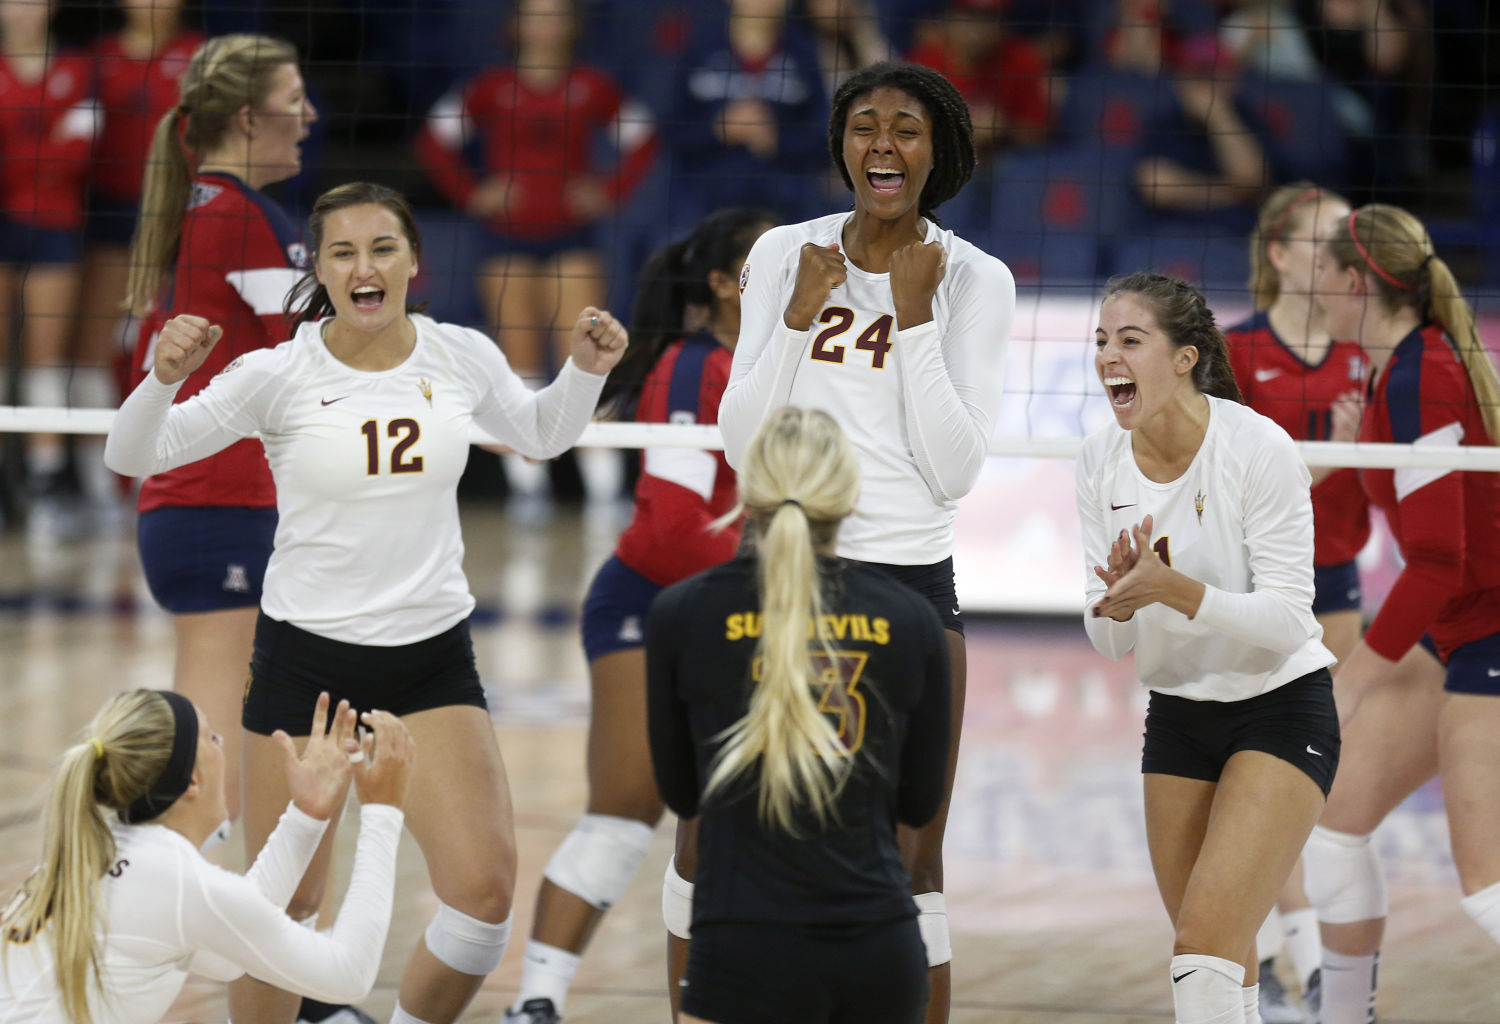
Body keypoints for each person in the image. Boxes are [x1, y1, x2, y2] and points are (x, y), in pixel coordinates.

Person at [104, 180, 627, 1024]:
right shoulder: (278, 372)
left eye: (382, 247)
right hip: (304, 664)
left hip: (430, 660)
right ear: (322, 268)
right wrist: (162, 378)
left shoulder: (459, 353)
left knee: (485, 897)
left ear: (414, 262)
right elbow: (135, 454)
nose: (365, 266)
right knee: (281, 913)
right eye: (343, 252)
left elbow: (540, 436)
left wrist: (583, 373)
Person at [715, 60, 1013, 1024]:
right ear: (841, 143)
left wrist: (917, 315)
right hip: (783, 565)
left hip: (911, 579)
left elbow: (956, 469)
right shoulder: (782, 254)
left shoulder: (975, 279)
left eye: (907, 129)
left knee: (913, 852)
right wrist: (800, 314)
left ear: (941, 153)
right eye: (865, 125)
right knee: (724, 835)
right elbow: (741, 438)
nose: (883, 143)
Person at [503, 207, 776, 1024]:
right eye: (768, 261)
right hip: (652, 602)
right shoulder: (695, 368)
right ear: (724, 285)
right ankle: (535, 1004)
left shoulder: (770, 362)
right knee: (626, 813)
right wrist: (777, 580)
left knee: (721, 834)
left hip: (728, 609)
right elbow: (672, 529)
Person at [1078, 271, 1339, 1024]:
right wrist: (1121, 598)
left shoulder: (1257, 446)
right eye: (1100, 341)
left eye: (1130, 340)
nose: (1107, 357)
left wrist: (1174, 590)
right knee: (1221, 971)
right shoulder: (1098, 462)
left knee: (1202, 949)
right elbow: (1106, 642)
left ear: (1186, 357)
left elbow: (1292, 619)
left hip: (1280, 712)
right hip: (1179, 719)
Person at [647, 406, 952, 1024]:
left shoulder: (683, 614)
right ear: (848, 497)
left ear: (751, 491)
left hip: (739, 947)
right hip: (877, 947)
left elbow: (683, 793)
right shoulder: (911, 620)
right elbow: (919, 808)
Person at [1304, 204, 1500, 1024]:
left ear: (1356, 282)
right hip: (1461, 620)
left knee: (1486, 886)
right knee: (1334, 823)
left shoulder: (1424, 371)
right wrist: (1353, 458)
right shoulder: (1390, 370)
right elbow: (1363, 535)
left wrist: (1350, 679)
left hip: (1488, 623)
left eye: (1321, 268)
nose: (1308, 284)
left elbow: (1436, 562)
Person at [120, 33, 317, 830]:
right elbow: (319, 352)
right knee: (201, 751)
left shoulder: (223, 209)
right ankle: (155, 914)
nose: (309, 114)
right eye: (294, 96)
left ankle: (215, 916)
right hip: (217, 508)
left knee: (232, 741)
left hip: (212, 506)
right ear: (246, 116)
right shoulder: (237, 216)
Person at [0, 690, 414, 1024]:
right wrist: (383, 810)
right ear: (192, 781)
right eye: (212, 738)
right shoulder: (174, 880)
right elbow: (351, 974)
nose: (222, 745)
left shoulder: (97, 849)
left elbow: (233, 944)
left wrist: (304, 818)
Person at [1225, 182, 1364, 1023]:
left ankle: (1310, 962)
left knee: (1321, 789)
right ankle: (1299, 960)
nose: (1342, 257)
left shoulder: (1370, 350)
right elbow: (1232, 487)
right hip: (1253, 589)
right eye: (1323, 242)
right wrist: (1328, 457)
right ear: (1279, 255)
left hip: (1337, 583)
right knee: (1262, 784)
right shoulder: (1233, 351)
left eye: (1349, 242)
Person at [415, 0, 656, 382]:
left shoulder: (593, 86)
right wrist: (473, 193)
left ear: (573, 26)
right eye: (535, 15)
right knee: (520, 369)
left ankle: (593, 443)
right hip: (505, 239)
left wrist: (607, 192)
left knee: (582, 363)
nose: (546, 25)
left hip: (574, 238)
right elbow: (433, 140)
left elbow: (644, 139)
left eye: (557, 15)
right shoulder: (490, 87)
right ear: (516, 25)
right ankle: (523, 444)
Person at [72, 0, 204, 519]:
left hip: (180, 212)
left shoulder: (199, 55)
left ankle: (164, 478)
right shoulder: (97, 60)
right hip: (109, 213)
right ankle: (100, 487)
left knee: (175, 342)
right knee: (93, 348)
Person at [0, 0, 98, 533]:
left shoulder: (78, 69)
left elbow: (78, 154)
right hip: (5, 223)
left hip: (57, 223)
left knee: (46, 357)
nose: (22, 11)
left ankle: (44, 480)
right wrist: (43, 150)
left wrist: (24, 158)